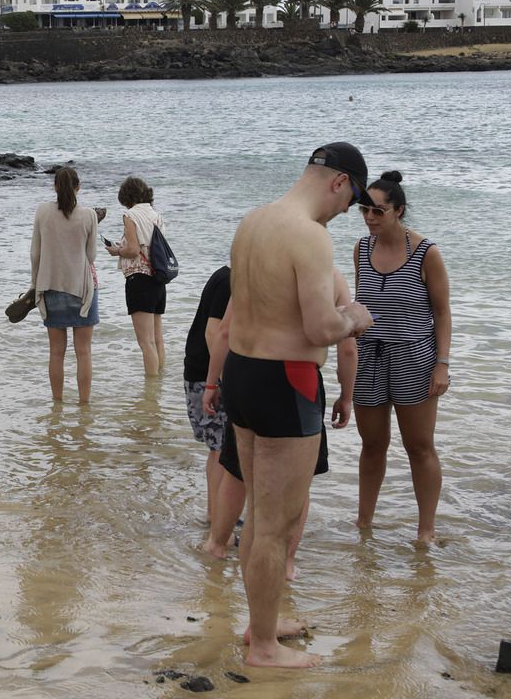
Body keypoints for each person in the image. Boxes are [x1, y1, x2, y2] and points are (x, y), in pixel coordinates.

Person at [218, 141, 374, 669]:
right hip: (287, 380)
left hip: (242, 372)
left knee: (258, 515)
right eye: (350, 200)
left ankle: (263, 621)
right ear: (338, 182)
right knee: (275, 526)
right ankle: (263, 646)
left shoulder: (253, 222)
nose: (346, 211)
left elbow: (239, 313)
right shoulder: (310, 236)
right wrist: (355, 314)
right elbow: (320, 328)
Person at [202, 270, 357, 584]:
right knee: (297, 481)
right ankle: (285, 563)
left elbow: (224, 332)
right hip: (296, 378)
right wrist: (347, 396)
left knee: (236, 469)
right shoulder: (328, 277)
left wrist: (211, 383)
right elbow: (348, 347)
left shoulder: (255, 270)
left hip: (245, 372)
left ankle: (216, 545)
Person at [352, 170, 451, 545]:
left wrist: (442, 363)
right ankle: (364, 524)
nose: (370, 217)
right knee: (372, 445)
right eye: (365, 210)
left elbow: (442, 313)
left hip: (414, 357)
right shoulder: (362, 248)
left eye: (378, 211)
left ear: (398, 211)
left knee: (419, 446)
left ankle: (426, 531)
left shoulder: (427, 253)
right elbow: (362, 305)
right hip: (369, 357)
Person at [30, 167, 99, 404]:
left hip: (50, 286)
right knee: (84, 353)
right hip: (81, 289)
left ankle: (57, 404)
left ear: (55, 187)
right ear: (78, 187)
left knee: (56, 353)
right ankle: (84, 405)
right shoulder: (89, 215)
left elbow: (35, 254)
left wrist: (34, 284)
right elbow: (91, 256)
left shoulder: (42, 211)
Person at [183, 264, 231, 524]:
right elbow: (213, 331)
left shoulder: (224, 275)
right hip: (207, 375)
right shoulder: (229, 281)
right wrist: (221, 380)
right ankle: (218, 517)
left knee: (218, 449)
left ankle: (217, 513)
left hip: (200, 372)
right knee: (222, 450)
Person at [105, 176, 167, 376]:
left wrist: (116, 251)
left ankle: (150, 391)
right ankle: (158, 387)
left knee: (145, 342)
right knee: (157, 339)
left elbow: (132, 250)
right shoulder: (156, 215)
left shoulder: (130, 215)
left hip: (139, 279)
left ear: (126, 196)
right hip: (158, 279)